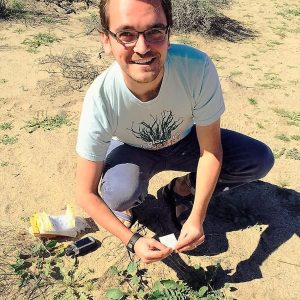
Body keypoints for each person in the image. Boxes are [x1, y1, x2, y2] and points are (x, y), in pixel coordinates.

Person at [75, 0, 274, 263]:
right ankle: (128, 204)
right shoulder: (101, 98)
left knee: (257, 159)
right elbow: (85, 193)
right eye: (126, 34)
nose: (142, 47)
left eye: (155, 31)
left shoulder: (196, 68)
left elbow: (210, 151)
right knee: (119, 194)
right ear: (106, 40)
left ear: (169, 34)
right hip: (133, 148)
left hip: (186, 139)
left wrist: (197, 216)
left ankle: (181, 190)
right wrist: (132, 241)